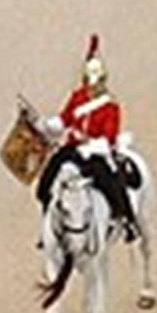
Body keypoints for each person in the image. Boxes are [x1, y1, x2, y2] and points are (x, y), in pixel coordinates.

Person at [34, 36, 138, 240]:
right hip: (71, 149)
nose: (91, 87)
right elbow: (64, 120)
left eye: (95, 83)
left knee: (109, 180)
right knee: (47, 178)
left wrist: (88, 146)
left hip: (94, 153)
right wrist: (45, 125)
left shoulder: (110, 107)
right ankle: (49, 222)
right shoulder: (78, 98)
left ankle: (126, 219)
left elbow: (107, 140)